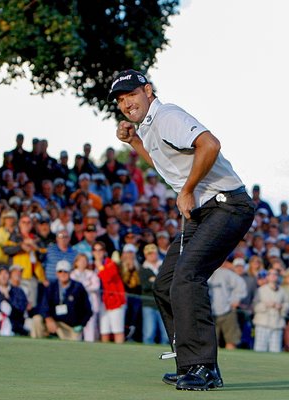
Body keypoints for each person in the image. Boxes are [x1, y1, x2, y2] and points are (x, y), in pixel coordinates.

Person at [110, 69, 254, 390]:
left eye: (131, 95)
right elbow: (166, 164)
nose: (126, 103)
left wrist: (187, 189)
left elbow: (210, 145)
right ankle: (189, 364)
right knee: (165, 285)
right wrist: (134, 141)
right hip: (205, 210)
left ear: (148, 90)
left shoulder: (167, 116)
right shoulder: (148, 127)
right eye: (121, 100)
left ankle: (205, 369)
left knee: (187, 277)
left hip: (228, 204)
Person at [31, 260, 92, 341]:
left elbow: (87, 309)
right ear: (56, 273)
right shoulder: (51, 287)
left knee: (74, 343)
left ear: (70, 272)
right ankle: (37, 344)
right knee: (37, 319)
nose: (62, 274)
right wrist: (48, 318)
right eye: (60, 271)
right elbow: (43, 306)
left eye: (65, 271)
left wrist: (81, 324)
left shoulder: (78, 287)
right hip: (53, 321)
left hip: (69, 326)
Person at [208, 260, 247, 350]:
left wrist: (236, 299)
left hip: (227, 311)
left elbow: (240, 285)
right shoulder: (204, 272)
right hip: (209, 312)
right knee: (210, 342)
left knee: (231, 341)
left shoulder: (226, 273)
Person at [93, 241, 126, 344]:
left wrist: (99, 266)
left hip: (115, 301)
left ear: (104, 252)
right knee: (104, 331)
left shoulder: (110, 263)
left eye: (100, 250)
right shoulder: (91, 265)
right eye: (95, 250)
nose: (98, 253)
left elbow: (107, 278)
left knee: (117, 330)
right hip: (102, 302)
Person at [252, 268, 289, 353]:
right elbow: (255, 306)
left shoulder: (282, 291)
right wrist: (266, 305)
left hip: (277, 325)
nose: (273, 276)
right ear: (267, 277)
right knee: (259, 350)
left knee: (275, 351)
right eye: (271, 274)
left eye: (275, 274)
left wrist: (281, 307)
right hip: (262, 324)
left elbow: (287, 305)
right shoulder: (261, 290)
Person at [0, 265, 28, 336]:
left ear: (9, 276)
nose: (3, 276)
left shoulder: (18, 292)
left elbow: (21, 310)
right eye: (0, 274)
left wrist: (8, 298)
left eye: (6, 273)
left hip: (15, 330)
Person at [70, 253, 101, 342]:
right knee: (76, 333)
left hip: (91, 306)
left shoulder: (91, 274)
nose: (83, 263)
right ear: (76, 262)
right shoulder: (72, 274)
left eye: (85, 261)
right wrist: (87, 285)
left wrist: (84, 287)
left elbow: (96, 286)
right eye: (80, 261)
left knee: (90, 332)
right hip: (77, 307)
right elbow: (74, 288)